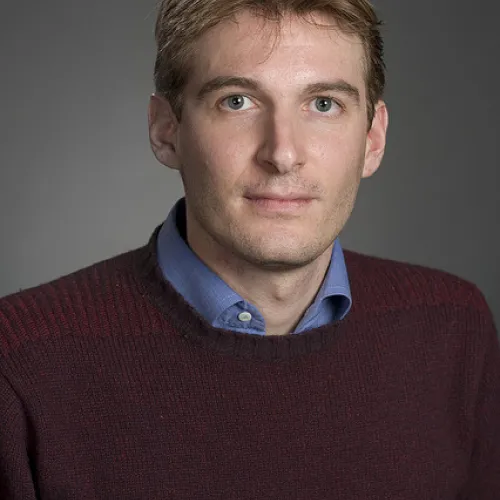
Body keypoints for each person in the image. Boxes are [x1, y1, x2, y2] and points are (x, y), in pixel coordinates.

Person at [0, 0, 499, 497]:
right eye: (237, 101)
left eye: (323, 103)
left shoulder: (452, 327)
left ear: (372, 138)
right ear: (165, 130)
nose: (282, 153)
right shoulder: (21, 363)